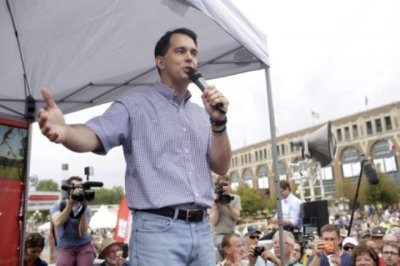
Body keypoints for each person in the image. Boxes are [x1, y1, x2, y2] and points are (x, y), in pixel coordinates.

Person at [37, 27, 231, 266]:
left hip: (202, 231)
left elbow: (221, 166)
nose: (189, 57)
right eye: (180, 51)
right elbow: (94, 133)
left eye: (193, 52)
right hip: (158, 231)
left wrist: (219, 123)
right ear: (160, 61)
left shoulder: (203, 115)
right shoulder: (134, 106)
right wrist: (65, 132)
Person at [50, 176, 96, 265]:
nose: (79, 190)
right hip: (65, 247)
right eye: (76, 187)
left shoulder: (86, 209)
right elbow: (57, 222)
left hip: (84, 246)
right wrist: (70, 205)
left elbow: (82, 232)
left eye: (80, 187)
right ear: (68, 190)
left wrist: (83, 209)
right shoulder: (58, 206)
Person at [210, 175, 241, 260]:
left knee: (242, 245)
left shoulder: (235, 198)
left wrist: (228, 205)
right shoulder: (212, 200)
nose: (224, 187)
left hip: (232, 234)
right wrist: (216, 207)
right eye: (221, 185)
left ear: (230, 185)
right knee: (230, 247)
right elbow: (213, 222)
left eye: (226, 184)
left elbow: (237, 217)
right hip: (218, 235)